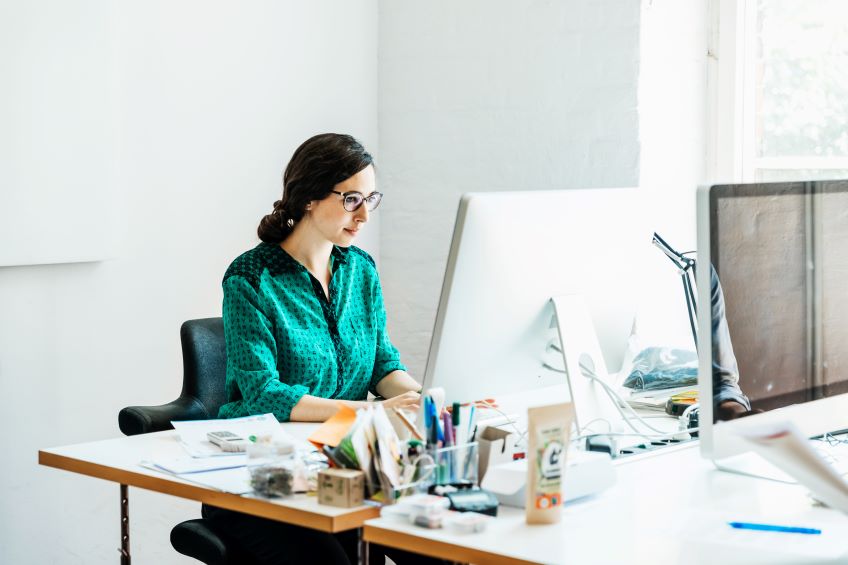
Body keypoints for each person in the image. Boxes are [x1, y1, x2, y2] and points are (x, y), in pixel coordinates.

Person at [202, 133, 437, 565]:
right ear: (309, 197)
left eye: (371, 199)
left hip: (344, 464)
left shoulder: (360, 270)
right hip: (263, 478)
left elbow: (381, 365)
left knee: (438, 546)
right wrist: (371, 413)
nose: (365, 215)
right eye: (351, 200)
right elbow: (264, 394)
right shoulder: (252, 279)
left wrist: (421, 398)